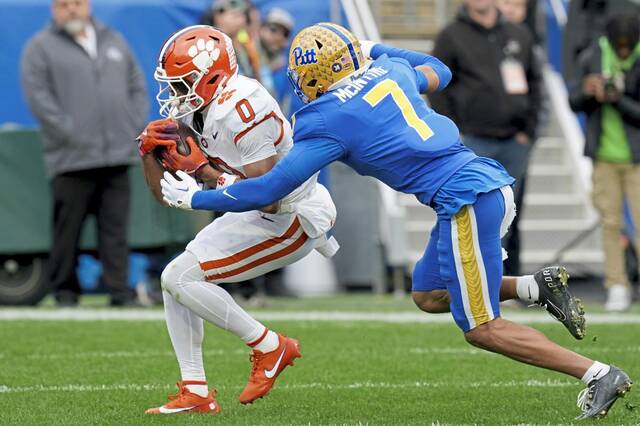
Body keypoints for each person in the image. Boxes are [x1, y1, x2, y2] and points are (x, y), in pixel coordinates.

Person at [160, 22, 632, 420]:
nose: (298, 84)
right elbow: (441, 72)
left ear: (316, 76)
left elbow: (268, 189)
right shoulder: (391, 69)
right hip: (473, 189)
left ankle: (597, 373)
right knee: (428, 294)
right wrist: (376, 50)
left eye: (302, 76)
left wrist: (197, 198)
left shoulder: (325, 120)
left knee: (482, 327)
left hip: (468, 198)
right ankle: (534, 286)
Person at [138, 25, 338, 414]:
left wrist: (206, 174)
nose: (175, 95)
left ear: (210, 76)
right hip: (264, 211)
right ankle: (194, 390)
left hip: (293, 215)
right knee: (174, 279)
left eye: (182, 84)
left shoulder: (243, 105)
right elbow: (163, 196)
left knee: (178, 277)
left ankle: (269, 346)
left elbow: (267, 195)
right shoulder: (200, 108)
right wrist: (147, 153)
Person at [20, 0, 148, 307]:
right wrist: (71, 134)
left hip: (117, 155)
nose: (71, 10)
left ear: (88, 6)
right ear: (54, 9)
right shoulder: (40, 47)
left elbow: (136, 86)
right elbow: (38, 97)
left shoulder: (113, 40)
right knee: (68, 230)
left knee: (115, 230)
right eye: (64, 5)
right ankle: (65, 291)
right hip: (70, 159)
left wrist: (132, 126)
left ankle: (120, 291)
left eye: (76, 3)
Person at [430, 0, 543, 276]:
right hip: (474, 143)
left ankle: (502, 283)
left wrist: (528, 131)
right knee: (476, 216)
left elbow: (536, 82)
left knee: (509, 216)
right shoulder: (451, 35)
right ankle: (471, 283)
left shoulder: (519, 34)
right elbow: (438, 86)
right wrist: (454, 131)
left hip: (515, 142)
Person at [569, 14, 640, 312]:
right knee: (610, 224)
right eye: (618, 47)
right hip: (604, 157)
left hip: (637, 157)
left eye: (628, 47)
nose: (623, 51)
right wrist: (589, 92)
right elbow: (573, 101)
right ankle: (617, 285)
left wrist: (618, 99)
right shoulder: (593, 56)